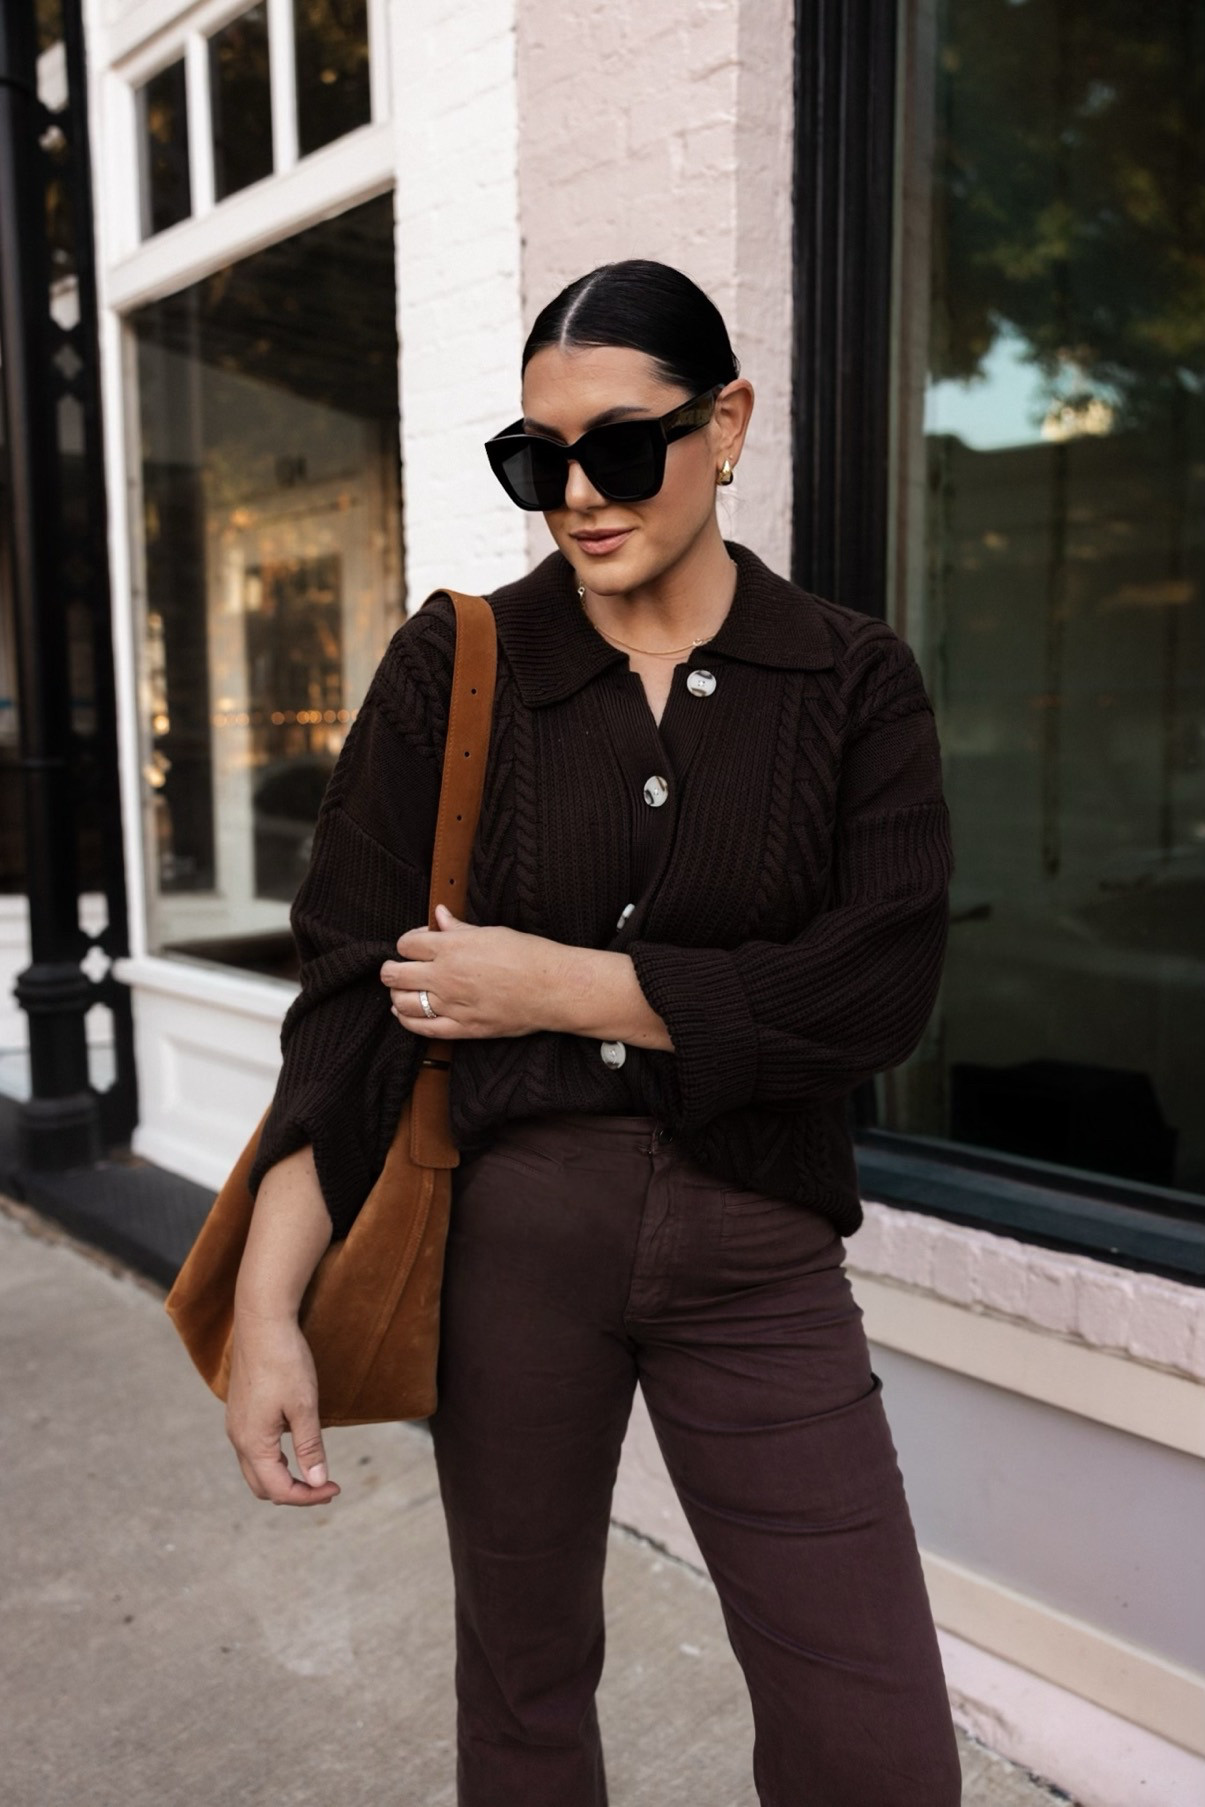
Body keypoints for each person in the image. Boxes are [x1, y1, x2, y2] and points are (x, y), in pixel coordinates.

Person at [225, 258, 963, 1806]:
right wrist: (265, 1309)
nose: (575, 494)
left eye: (618, 447)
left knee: (874, 1744)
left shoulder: (849, 679)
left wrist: (555, 986)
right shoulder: (459, 665)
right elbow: (350, 1008)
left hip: (756, 1244)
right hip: (508, 1245)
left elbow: (874, 991)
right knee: (524, 1690)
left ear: (726, 422)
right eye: (535, 457)